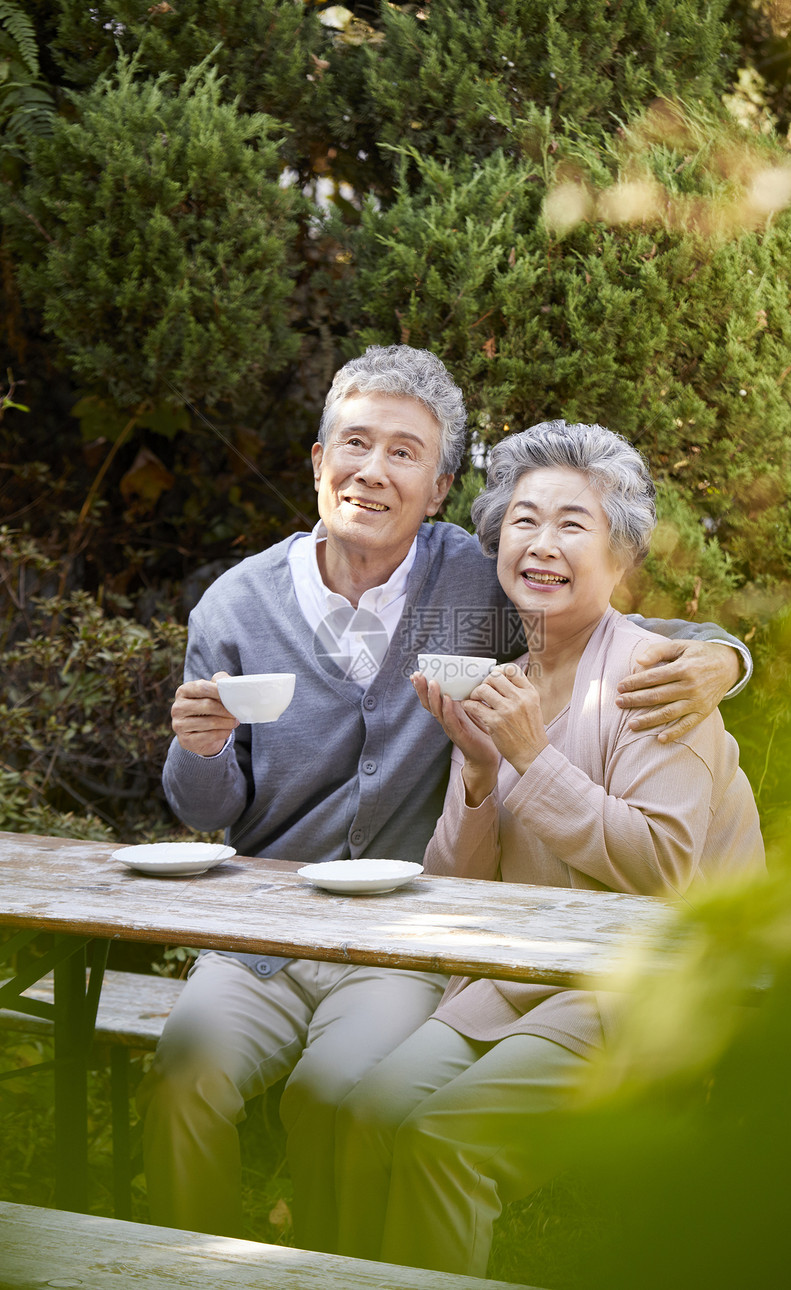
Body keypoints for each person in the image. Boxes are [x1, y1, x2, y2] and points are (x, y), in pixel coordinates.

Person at [138, 348, 750, 1246]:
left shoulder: (470, 583)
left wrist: (725, 657)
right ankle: (177, 1268)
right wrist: (199, 749)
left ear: (439, 488)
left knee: (332, 1094)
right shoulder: (238, 606)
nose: (372, 472)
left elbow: (611, 619)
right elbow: (203, 809)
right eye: (354, 444)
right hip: (264, 933)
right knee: (184, 1068)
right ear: (317, 462)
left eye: (405, 454)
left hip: (404, 940)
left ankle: (328, 1261)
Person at [332, 420, 765, 1277]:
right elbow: (456, 889)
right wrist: (482, 769)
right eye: (525, 520)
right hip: (526, 979)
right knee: (366, 1110)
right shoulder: (509, 680)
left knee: (441, 1139)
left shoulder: (655, 678)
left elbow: (664, 870)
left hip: (644, 987)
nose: (542, 543)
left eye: (574, 523)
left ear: (622, 555)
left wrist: (533, 756)